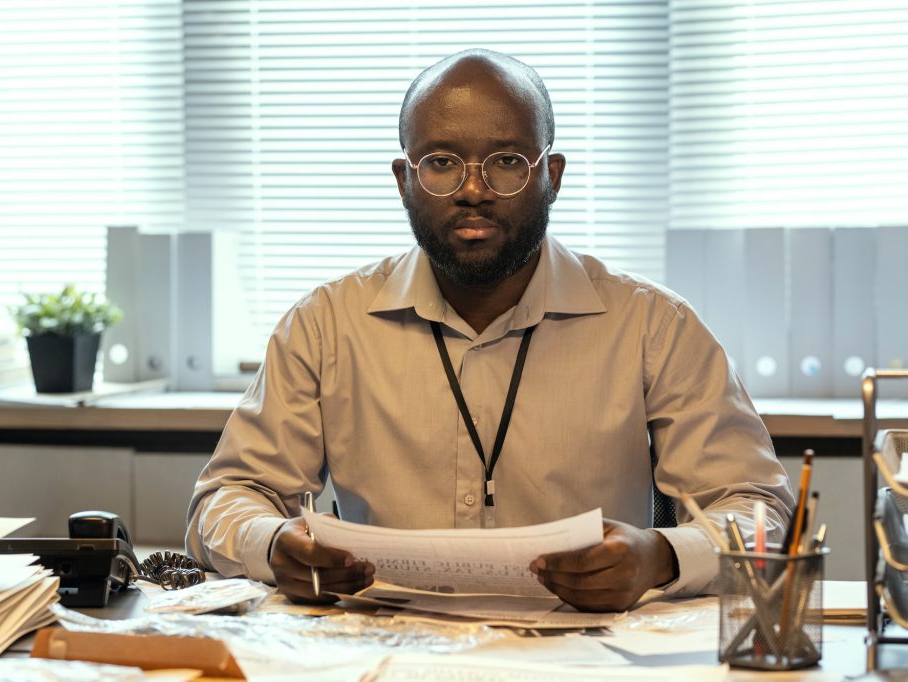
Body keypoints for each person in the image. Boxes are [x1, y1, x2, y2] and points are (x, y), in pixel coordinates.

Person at [186, 49, 794, 612]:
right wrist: (271, 543)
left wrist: (660, 558)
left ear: (552, 175)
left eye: (506, 162)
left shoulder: (653, 325)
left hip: (587, 653)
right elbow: (225, 497)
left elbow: (760, 510)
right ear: (403, 179)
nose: (473, 191)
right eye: (441, 163)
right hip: (380, 647)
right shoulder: (324, 325)